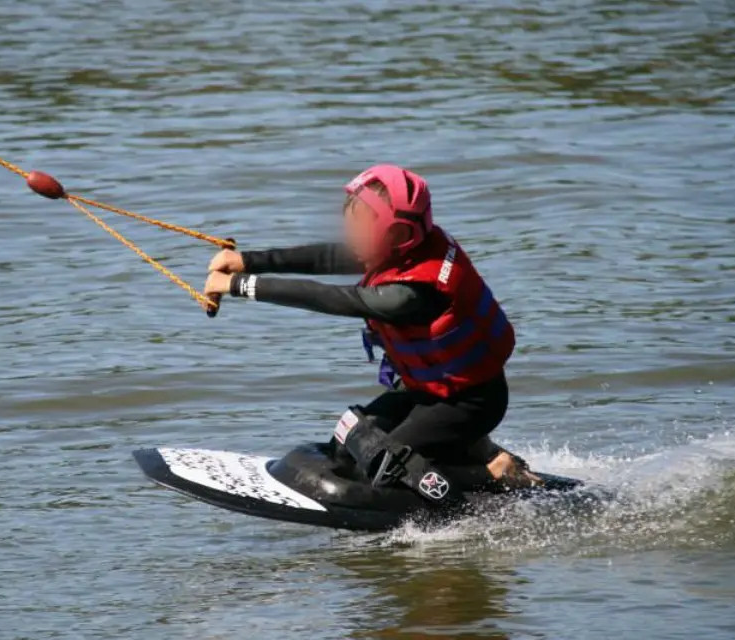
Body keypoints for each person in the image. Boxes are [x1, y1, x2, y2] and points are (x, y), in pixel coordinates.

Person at [204, 164, 541, 503]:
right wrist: (246, 261)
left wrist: (238, 285)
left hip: (470, 402)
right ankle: (473, 448)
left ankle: (491, 473)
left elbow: (330, 297)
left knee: (381, 470)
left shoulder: (410, 293)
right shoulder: (403, 249)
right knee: (346, 446)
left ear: (396, 233)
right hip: (431, 393)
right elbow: (325, 258)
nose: (353, 240)